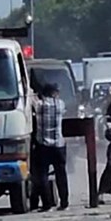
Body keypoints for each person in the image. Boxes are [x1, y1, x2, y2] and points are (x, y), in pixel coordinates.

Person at [33, 83, 69, 211]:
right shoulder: (60, 104)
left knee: (43, 174)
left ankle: (47, 204)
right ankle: (64, 202)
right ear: (54, 92)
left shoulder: (39, 105)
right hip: (59, 145)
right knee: (61, 174)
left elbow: (32, 104)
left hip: (43, 145)